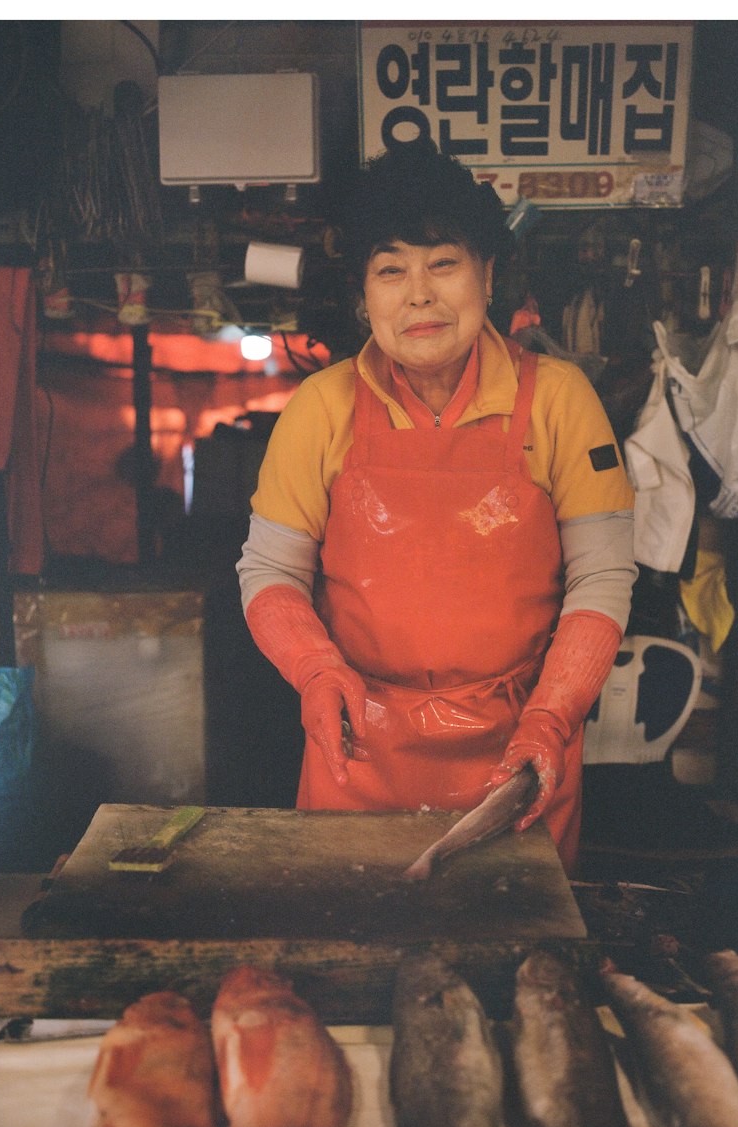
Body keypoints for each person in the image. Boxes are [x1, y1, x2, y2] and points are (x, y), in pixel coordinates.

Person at [236, 139, 636, 874]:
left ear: (488, 272)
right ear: (364, 295)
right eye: (391, 270)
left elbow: (603, 578)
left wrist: (550, 718)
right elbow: (269, 571)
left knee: (518, 967)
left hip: (517, 765)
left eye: (442, 264)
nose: (419, 294)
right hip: (358, 752)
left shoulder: (559, 399)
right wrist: (315, 672)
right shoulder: (320, 410)